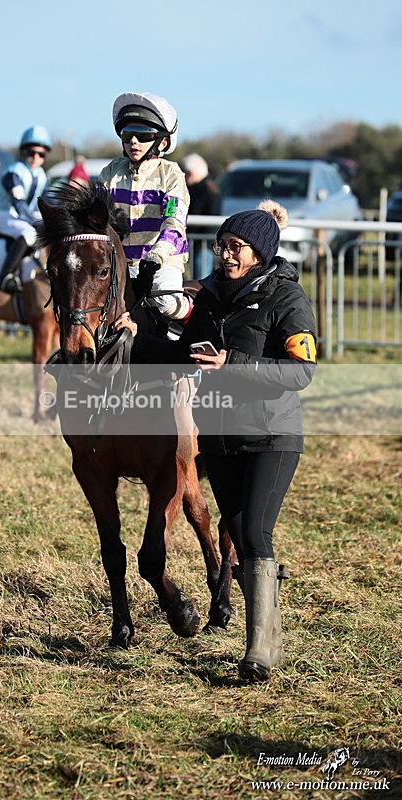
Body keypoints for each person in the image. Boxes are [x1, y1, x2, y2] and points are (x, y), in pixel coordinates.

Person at [115, 200, 317, 683]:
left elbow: (302, 371)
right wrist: (136, 336)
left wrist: (233, 364)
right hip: (221, 438)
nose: (225, 254)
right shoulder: (207, 297)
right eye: (222, 245)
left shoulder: (287, 297)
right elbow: (181, 354)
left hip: (272, 436)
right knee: (241, 536)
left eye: (236, 247)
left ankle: (257, 653)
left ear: (260, 252)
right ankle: (269, 635)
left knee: (255, 535)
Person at [99, 91, 192, 329]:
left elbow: (174, 222)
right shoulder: (110, 172)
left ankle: (196, 319)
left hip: (161, 262)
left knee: (166, 303)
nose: (133, 141)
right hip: (119, 262)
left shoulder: (171, 175)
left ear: (162, 141)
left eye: (143, 135)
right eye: (127, 134)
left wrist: (157, 256)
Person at [0, 125, 51, 293]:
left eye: (41, 154)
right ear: (24, 152)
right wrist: (35, 222)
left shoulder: (41, 175)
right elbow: (18, 202)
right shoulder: (14, 173)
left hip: (23, 217)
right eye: (31, 152)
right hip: (6, 215)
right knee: (29, 233)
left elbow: (48, 200)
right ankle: (5, 275)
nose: (36, 157)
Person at [180, 153, 222, 279]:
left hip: (202, 246)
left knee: (200, 282)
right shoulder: (211, 188)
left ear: (191, 172)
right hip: (201, 245)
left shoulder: (206, 191)